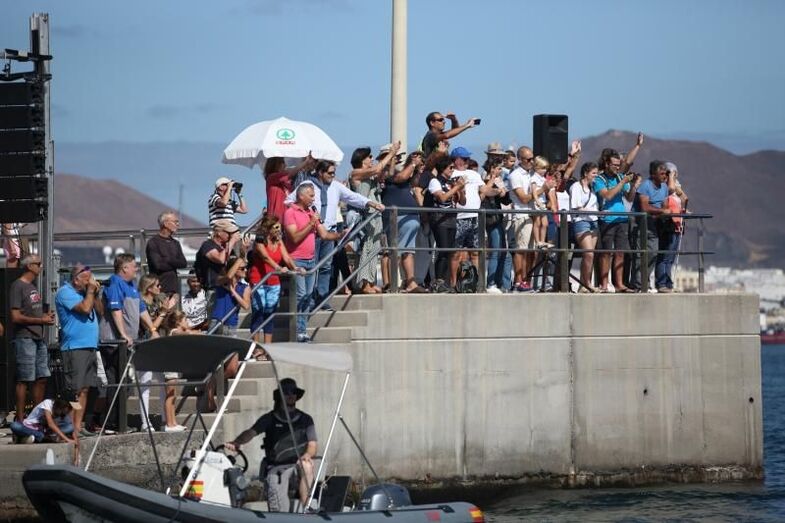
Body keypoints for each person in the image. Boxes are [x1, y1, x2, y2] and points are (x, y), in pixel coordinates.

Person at [285, 160, 384, 306]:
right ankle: (309, 300)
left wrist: (372, 203)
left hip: (328, 231)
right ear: (320, 172)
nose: (333, 176)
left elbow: (353, 197)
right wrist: (304, 213)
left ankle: (323, 298)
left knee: (326, 267)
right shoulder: (307, 187)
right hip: (311, 232)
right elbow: (288, 200)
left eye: (334, 173)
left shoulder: (336, 186)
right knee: (312, 268)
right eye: (330, 173)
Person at [224, 378, 317, 513]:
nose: (290, 395)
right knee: (278, 505)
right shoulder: (269, 418)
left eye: (293, 392)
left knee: (308, 466)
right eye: (286, 392)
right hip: (276, 467)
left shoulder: (306, 419)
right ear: (280, 396)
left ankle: (307, 510)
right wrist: (237, 442)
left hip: (297, 465)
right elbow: (251, 432)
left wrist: (307, 455)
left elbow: (313, 445)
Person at [98, 253, 159, 431]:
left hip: (128, 343)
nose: (136, 269)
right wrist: (123, 334)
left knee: (125, 382)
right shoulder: (114, 283)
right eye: (133, 266)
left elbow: (141, 310)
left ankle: (119, 422)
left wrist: (152, 330)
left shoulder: (131, 286)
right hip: (113, 341)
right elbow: (116, 310)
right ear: (124, 268)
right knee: (116, 381)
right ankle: (111, 423)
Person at [284, 184, 342, 342]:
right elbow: (294, 237)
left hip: (311, 261)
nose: (314, 198)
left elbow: (323, 234)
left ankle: (302, 330)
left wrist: (339, 235)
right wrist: (311, 223)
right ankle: (296, 331)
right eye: (310, 195)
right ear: (301, 196)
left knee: (308, 297)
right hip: (297, 260)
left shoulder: (311, 212)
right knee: (301, 295)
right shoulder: (290, 213)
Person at [54, 263, 104, 436]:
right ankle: (68, 426)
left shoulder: (86, 294)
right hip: (74, 347)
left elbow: (100, 311)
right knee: (74, 390)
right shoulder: (65, 292)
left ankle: (77, 426)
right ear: (76, 280)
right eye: (87, 278)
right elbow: (84, 309)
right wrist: (90, 291)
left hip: (90, 346)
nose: (90, 281)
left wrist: (95, 293)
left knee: (85, 388)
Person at [349, 143, 400, 294]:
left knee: (374, 248)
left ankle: (370, 281)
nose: (372, 159)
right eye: (369, 157)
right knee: (367, 247)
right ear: (362, 159)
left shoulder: (369, 174)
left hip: (375, 214)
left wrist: (392, 159)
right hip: (365, 216)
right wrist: (390, 153)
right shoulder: (356, 173)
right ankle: (364, 283)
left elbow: (385, 173)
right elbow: (378, 169)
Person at [10, 255, 55, 422]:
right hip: (25, 338)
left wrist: (44, 316)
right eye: (38, 263)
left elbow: (31, 311)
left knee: (42, 377)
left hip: (38, 337)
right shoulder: (18, 286)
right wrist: (40, 320)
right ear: (29, 266)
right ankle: (20, 418)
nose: (41, 266)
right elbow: (15, 316)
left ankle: (37, 415)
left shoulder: (32, 286)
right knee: (24, 379)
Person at [381, 151, 428, 293]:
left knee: (408, 252)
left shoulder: (406, 174)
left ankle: (410, 283)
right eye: (395, 157)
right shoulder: (386, 174)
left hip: (410, 217)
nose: (397, 160)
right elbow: (401, 177)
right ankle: (393, 284)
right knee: (394, 252)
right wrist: (413, 163)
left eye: (399, 157)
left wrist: (418, 167)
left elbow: (412, 180)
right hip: (396, 217)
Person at [593, 150, 638, 293]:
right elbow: (608, 195)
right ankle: (604, 284)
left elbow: (629, 198)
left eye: (619, 165)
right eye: (614, 165)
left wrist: (634, 186)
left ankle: (619, 284)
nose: (618, 167)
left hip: (622, 218)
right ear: (606, 164)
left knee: (620, 253)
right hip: (607, 219)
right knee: (606, 253)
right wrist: (623, 181)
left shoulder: (620, 177)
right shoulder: (600, 179)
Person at [249, 215, 298, 343]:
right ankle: (256, 348)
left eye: (279, 227)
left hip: (274, 282)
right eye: (275, 227)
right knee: (258, 312)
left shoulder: (279, 241)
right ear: (268, 228)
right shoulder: (260, 241)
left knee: (269, 314)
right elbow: (265, 257)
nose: (278, 230)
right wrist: (278, 268)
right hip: (258, 280)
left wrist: (295, 268)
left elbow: (286, 258)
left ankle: (267, 347)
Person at [629, 160, 672, 292]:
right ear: (654, 174)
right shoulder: (645, 186)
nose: (665, 176)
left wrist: (663, 213)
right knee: (640, 254)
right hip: (639, 222)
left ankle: (644, 280)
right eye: (662, 173)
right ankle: (638, 284)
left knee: (653, 252)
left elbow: (664, 205)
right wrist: (661, 211)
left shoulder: (664, 187)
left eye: (666, 173)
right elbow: (644, 207)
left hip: (653, 222)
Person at [450, 147, 493, 273]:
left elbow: (484, 190)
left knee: (476, 252)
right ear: (456, 160)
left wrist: (498, 191)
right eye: (464, 158)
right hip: (458, 218)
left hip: (475, 217)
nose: (467, 160)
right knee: (456, 253)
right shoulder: (451, 174)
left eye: (467, 158)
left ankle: (476, 281)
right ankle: (454, 283)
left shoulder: (474, 174)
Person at [428, 155, 466, 292]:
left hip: (451, 220)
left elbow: (462, 202)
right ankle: (438, 282)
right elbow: (442, 197)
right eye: (450, 167)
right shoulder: (435, 181)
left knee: (450, 252)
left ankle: (447, 282)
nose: (452, 170)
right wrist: (456, 188)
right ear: (443, 168)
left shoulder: (450, 183)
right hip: (440, 220)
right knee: (443, 250)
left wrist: (460, 189)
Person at [194, 219, 241, 307]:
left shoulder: (227, 247)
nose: (231, 235)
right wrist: (231, 242)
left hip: (229, 288)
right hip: (214, 290)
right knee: (215, 319)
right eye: (228, 232)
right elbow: (220, 259)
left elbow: (237, 263)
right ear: (219, 232)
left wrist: (244, 249)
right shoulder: (207, 245)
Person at [508, 147, 536, 292]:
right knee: (521, 250)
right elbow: (523, 198)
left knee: (532, 252)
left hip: (532, 215)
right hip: (521, 215)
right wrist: (542, 189)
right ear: (520, 159)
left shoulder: (531, 173)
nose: (531, 162)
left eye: (532, 158)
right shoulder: (515, 175)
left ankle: (527, 281)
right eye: (528, 159)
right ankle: (518, 282)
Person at [481, 157, 511, 293]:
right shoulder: (483, 179)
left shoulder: (499, 181)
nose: (501, 171)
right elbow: (485, 193)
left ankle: (502, 282)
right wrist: (496, 188)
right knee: (495, 250)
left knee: (504, 252)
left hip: (497, 217)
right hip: (489, 219)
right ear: (492, 168)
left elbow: (505, 200)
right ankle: (491, 282)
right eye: (499, 168)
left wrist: (503, 191)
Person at [570, 163, 601, 292]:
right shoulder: (576, 187)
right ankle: (587, 283)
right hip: (581, 220)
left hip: (593, 221)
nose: (596, 176)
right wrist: (592, 211)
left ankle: (584, 283)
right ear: (585, 173)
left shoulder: (593, 188)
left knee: (590, 255)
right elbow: (576, 205)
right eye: (593, 173)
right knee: (588, 253)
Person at [145, 211, 188, 301]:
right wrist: (174, 262)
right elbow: (159, 265)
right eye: (175, 222)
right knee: (161, 314)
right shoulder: (153, 242)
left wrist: (167, 259)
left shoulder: (175, 243)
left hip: (174, 291)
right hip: (159, 291)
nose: (178, 224)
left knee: (175, 315)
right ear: (165, 223)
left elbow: (183, 263)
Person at [263, 156, 316, 223]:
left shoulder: (285, 183)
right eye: (283, 163)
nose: (285, 165)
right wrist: (305, 162)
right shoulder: (271, 178)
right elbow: (290, 173)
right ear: (276, 164)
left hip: (286, 218)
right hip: (275, 219)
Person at [209, 257, 251, 337]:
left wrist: (232, 291)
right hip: (216, 321)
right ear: (234, 269)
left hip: (231, 324)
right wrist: (239, 260)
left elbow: (246, 306)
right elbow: (229, 276)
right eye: (242, 268)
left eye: (246, 268)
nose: (245, 270)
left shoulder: (245, 287)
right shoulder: (221, 281)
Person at [10, 398, 79, 445]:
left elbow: (69, 424)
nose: (65, 412)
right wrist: (67, 439)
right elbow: (51, 424)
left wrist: (75, 438)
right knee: (15, 425)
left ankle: (25, 439)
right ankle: (46, 438)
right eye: (66, 409)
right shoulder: (48, 403)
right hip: (31, 428)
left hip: (45, 431)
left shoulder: (63, 412)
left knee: (70, 427)